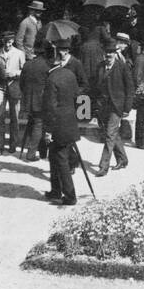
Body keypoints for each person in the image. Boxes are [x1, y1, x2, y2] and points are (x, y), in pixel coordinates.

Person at [42, 41, 81, 206]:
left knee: (61, 160)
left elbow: (51, 108)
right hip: (70, 122)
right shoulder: (70, 74)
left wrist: (48, 131)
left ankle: (70, 196)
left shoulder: (52, 79)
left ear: (52, 61)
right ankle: (55, 191)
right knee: (54, 158)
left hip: (58, 126)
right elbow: (75, 96)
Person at [92, 33, 136, 176]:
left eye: (111, 52)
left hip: (117, 106)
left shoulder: (123, 67)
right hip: (103, 106)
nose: (108, 55)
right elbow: (94, 87)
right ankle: (123, 159)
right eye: (106, 52)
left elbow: (130, 89)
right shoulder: (100, 67)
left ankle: (103, 166)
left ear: (115, 53)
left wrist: (127, 108)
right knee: (111, 134)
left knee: (110, 135)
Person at [18, 43, 51, 160]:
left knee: (33, 124)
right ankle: (31, 153)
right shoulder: (47, 66)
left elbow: (21, 83)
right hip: (41, 101)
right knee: (39, 125)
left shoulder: (27, 64)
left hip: (28, 100)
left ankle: (40, 152)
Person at [0, 31, 26, 153]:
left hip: (14, 86)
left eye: (9, 42)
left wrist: (15, 73)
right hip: (2, 87)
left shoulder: (19, 53)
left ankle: (13, 144)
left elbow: (24, 71)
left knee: (14, 117)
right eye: (5, 42)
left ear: (13, 41)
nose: (7, 45)